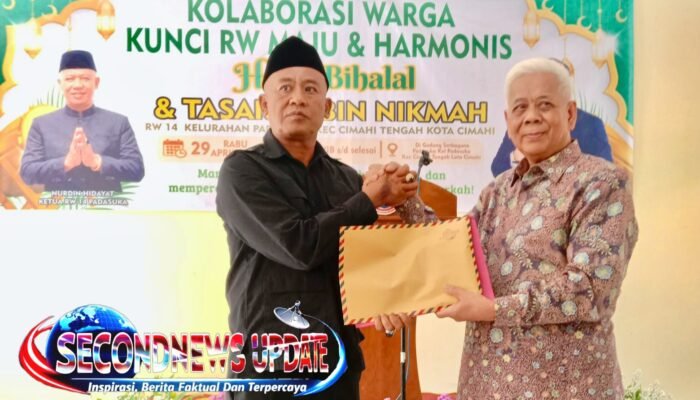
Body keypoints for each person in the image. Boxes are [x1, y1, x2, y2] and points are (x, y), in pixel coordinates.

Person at [377, 58, 638, 399]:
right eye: (520, 107)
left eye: (545, 105)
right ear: (507, 121)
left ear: (571, 114)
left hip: (564, 390)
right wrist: (406, 199)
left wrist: (493, 309)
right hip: (484, 387)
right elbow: (452, 253)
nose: (531, 116)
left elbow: (589, 290)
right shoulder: (496, 191)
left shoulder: (601, 183)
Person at [215, 36, 418, 400]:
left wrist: (388, 301)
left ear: (327, 107)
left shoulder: (347, 180)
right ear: (264, 104)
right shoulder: (242, 172)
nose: (297, 98)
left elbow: (364, 266)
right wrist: (370, 197)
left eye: (310, 89)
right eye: (285, 88)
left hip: (338, 370)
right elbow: (299, 245)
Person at [20, 50, 144, 191]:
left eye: (85, 78)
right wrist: (66, 163)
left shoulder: (118, 123)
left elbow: (137, 169)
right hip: (59, 203)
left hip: (106, 202)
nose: (77, 85)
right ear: (60, 84)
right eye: (70, 79)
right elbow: (27, 172)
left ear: (96, 82)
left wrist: (97, 161)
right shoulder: (41, 124)